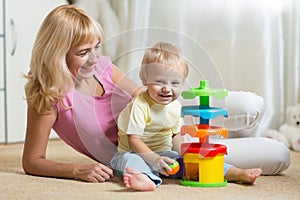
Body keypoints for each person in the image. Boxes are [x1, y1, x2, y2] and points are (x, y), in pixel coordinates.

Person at [22, 4, 289, 184]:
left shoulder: (102, 66)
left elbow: (140, 91)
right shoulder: (48, 98)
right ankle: (247, 142)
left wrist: (175, 115)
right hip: (152, 149)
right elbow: (32, 161)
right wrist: (76, 170)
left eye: (97, 47)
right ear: (56, 54)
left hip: (167, 109)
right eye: (83, 53)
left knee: (252, 105)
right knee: (279, 155)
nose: (94, 59)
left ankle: (242, 134)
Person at [110, 41, 262, 191]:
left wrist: (186, 152)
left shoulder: (175, 106)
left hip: (165, 154)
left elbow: (175, 135)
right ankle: (144, 178)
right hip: (133, 152)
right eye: (159, 81)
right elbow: (134, 141)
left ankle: (235, 173)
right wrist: (154, 160)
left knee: (196, 162)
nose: (167, 89)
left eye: (175, 83)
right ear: (144, 78)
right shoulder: (140, 105)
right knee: (129, 161)